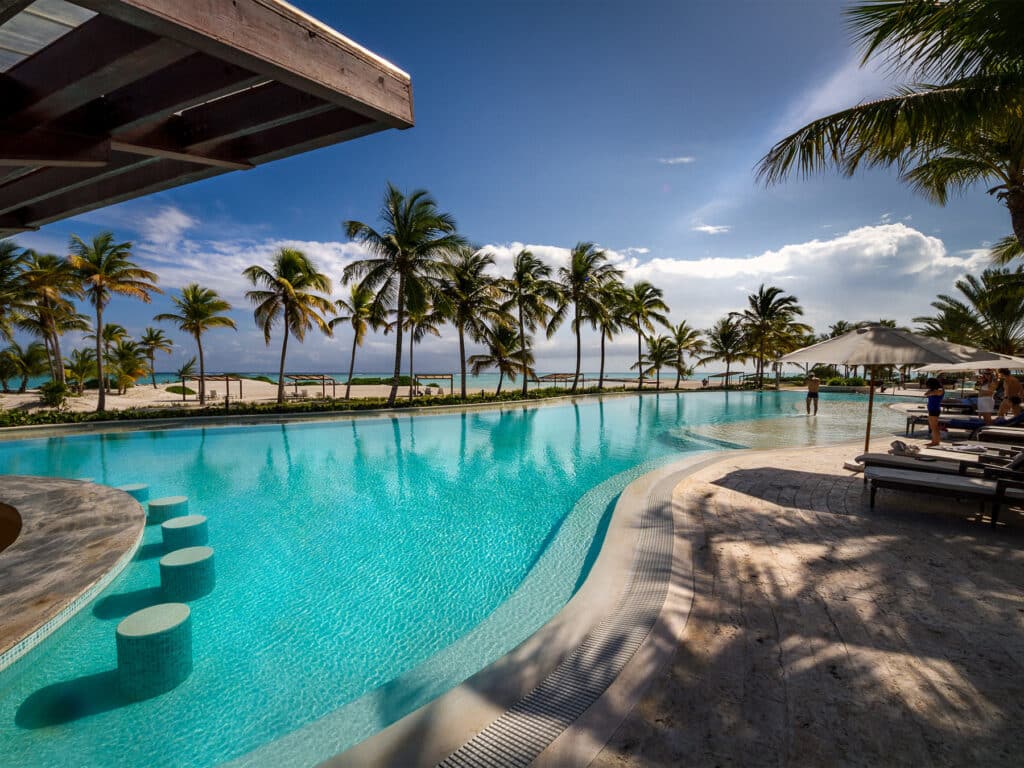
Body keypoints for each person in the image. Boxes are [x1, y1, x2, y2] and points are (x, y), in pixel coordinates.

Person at [923, 377, 945, 446]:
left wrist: (930, 392)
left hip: (935, 410)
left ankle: (936, 442)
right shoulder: (933, 390)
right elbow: (926, 394)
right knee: (932, 427)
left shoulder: (940, 390)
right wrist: (930, 392)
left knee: (934, 427)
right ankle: (934, 441)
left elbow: (931, 393)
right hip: (931, 409)